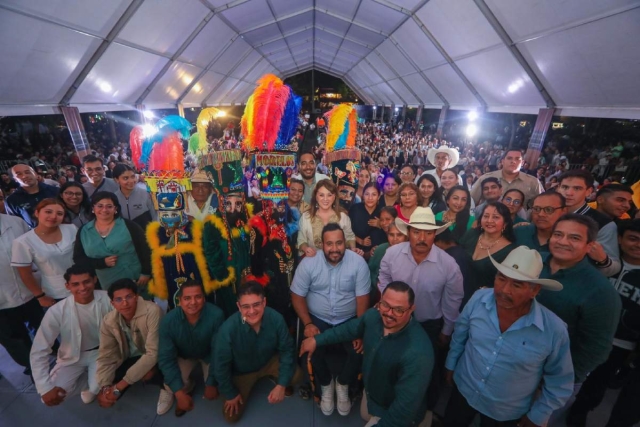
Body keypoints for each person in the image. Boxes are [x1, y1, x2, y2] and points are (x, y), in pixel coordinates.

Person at [443, 246, 573, 427]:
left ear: (534, 290)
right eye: (501, 279)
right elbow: (460, 335)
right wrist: (451, 364)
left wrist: (539, 414)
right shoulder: (478, 299)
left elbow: (559, 380)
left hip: (505, 413)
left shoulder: (554, 330)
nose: (504, 290)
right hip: (464, 389)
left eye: (517, 284)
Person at [300, 281, 434, 427]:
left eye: (398, 310)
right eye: (385, 305)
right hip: (374, 398)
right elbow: (351, 329)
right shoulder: (374, 316)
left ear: (411, 309)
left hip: (393, 413)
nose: (389, 313)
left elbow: (403, 412)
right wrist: (317, 340)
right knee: (365, 414)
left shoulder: (418, 353)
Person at [378, 207, 464, 418]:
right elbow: (383, 281)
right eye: (417, 231)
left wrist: (446, 330)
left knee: (427, 371)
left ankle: (427, 410)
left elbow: (453, 300)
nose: (422, 237)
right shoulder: (392, 254)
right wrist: (387, 308)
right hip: (394, 321)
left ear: (435, 234)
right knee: (392, 363)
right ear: (409, 232)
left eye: (428, 233)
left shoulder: (449, 265)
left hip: (428, 325)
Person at [537, 214, 622, 414]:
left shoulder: (600, 291)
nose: (563, 241)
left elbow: (596, 349)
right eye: (558, 234)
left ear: (589, 245)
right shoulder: (533, 261)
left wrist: (554, 383)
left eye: (574, 238)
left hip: (552, 379)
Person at [291, 223, 370, 416]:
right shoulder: (309, 263)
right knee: (311, 348)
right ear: (321, 244)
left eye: (339, 243)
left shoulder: (358, 263)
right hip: (318, 319)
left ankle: (342, 384)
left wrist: (360, 330)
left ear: (345, 243)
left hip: (349, 319)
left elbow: (362, 300)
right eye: (329, 244)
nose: (334, 249)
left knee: (358, 351)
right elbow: (297, 295)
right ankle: (326, 384)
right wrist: (308, 324)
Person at [567, 219, 640, 426]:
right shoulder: (599, 263)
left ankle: (577, 415)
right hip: (581, 334)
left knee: (597, 386)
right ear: (620, 239)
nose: (637, 245)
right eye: (633, 239)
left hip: (620, 345)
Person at [214, 282, 303, 423]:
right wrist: (230, 393)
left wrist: (282, 384)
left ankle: (275, 379)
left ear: (264, 302)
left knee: (296, 375)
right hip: (242, 372)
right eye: (245, 306)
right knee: (231, 417)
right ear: (238, 306)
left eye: (256, 304)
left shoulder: (276, 319)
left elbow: (287, 349)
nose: (252, 311)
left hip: (268, 362)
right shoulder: (227, 330)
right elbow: (220, 366)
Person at [30, 264, 113, 406]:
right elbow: (39, 350)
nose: (82, 288)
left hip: (101, 352)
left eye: (86, 281)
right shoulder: (56, 311)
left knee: (95, 388)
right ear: (67, 286)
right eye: (75, 284)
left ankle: (93, 384)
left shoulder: (108, 299)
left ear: (94, 280)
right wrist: (44, 388)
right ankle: (88, 382)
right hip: (72, 356)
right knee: (52, 395)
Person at [95, 278, 169, 414]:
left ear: (137, 297)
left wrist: (119, 387)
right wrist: (106, 387)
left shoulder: (152, 311)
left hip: (159, 356)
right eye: (118, 299)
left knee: (149, 372)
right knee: (104, 383)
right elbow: (106, 355)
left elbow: (153, 353)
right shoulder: (109, 320)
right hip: (131, 357)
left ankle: (167, 388)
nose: (124, 303)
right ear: (112, 303)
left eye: (129, 297)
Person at [158, 281, 225, 417]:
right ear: (180, 300)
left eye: (198, 297)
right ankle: (187, 388)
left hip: (208, 356)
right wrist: (179, 394)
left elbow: (219, 351)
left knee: (221, 380)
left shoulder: (216, 315)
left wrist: (211, 383)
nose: (193, 302)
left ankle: (209, 380)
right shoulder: (168, 321)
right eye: (187, 298)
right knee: (172, 384)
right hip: (185, 356)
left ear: (204, 298)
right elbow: (166, 358)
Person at [73, 191, 151, 295]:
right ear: (93, 208)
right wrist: (102, 263)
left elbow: (145, 250)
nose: (104, 210)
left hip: (134, 278)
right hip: (102, 282)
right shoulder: (84, 230)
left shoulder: (130, 226)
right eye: (100, 206)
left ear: (115, 209)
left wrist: (146, 273)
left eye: (109, 206)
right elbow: (78, 259)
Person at [0, 212, 44, 375]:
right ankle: (33, 368)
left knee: (41, 326)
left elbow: (32, 247)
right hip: (2, 300)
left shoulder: (15, 222)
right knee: (14, 337)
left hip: (29, 289)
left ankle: (49, 356)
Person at [556, 169, 621, 276]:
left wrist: (603, 260)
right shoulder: (546, 212)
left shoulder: (603, 223)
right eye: (565, 187)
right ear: (558, 188)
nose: (569, 193)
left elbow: (614, 268)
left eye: (577, 188)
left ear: (589, 191)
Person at [12, 199, 77, 304]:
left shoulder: (71, 229)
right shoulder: (23, 242)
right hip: (55, 293)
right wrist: (40, 296)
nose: (53, 216)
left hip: (83, 286)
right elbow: (25, 274)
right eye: (48, 212)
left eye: (59, 213)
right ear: (37, 213)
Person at [459, 202, 518, 289]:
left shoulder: (510, 251)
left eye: (496, 217)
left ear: (505, 223)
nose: (489, 220)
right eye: (486, 216)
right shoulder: (472, 234)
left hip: (482, 297)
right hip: (456, 287)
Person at [297, 179, 360, 257]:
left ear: (334, 197)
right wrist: (306, 249)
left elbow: (350, 237)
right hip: (313, 261)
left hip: (338, 261)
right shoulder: (306, 217)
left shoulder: (343, 217)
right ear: (316, 196)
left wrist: (353, 249)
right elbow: (301, 239)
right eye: (321, 195)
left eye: (329, 195)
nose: (325, 199)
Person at [470, 149, 544, 205]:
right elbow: (470, 202)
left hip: (518, 224)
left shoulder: (533, 182)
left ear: (522, 163)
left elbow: (540, 206)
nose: (513, 161)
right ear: (502, 161)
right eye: (509, 158)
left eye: (517, 159)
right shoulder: (485, 178)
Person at [5, 163, 59, 228]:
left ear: (35, 174)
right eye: (19, 174)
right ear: (15, 179)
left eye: (27, 172)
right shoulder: (12, 200)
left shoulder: (55, 191)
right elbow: (16, 224)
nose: (24, 176)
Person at [368, 221, 408, 300]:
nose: (395, 239)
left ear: (406, 236)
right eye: (391, 235)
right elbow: (370, 271)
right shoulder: (380, 250)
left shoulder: (411, 252)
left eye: (399, 235)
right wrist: (376, 283)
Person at [112, 163, 156, 229]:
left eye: (133, 177)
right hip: (124, 237)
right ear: (117, 180)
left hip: (145, 236)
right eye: (125, 178)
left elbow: (155, 217)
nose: (131, 181)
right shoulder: (113, 198)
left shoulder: (146, 194)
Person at [349, 182, 386, 258]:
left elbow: (391, 233)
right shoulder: (355, 209)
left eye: (374, 194)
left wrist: (381, 225)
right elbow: (347, 231)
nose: (370, 198)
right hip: (357, 252)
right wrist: (360, 241)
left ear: (379, 196)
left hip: (378, 255)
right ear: (363, 195)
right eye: (367, 194)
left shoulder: (383, 211)